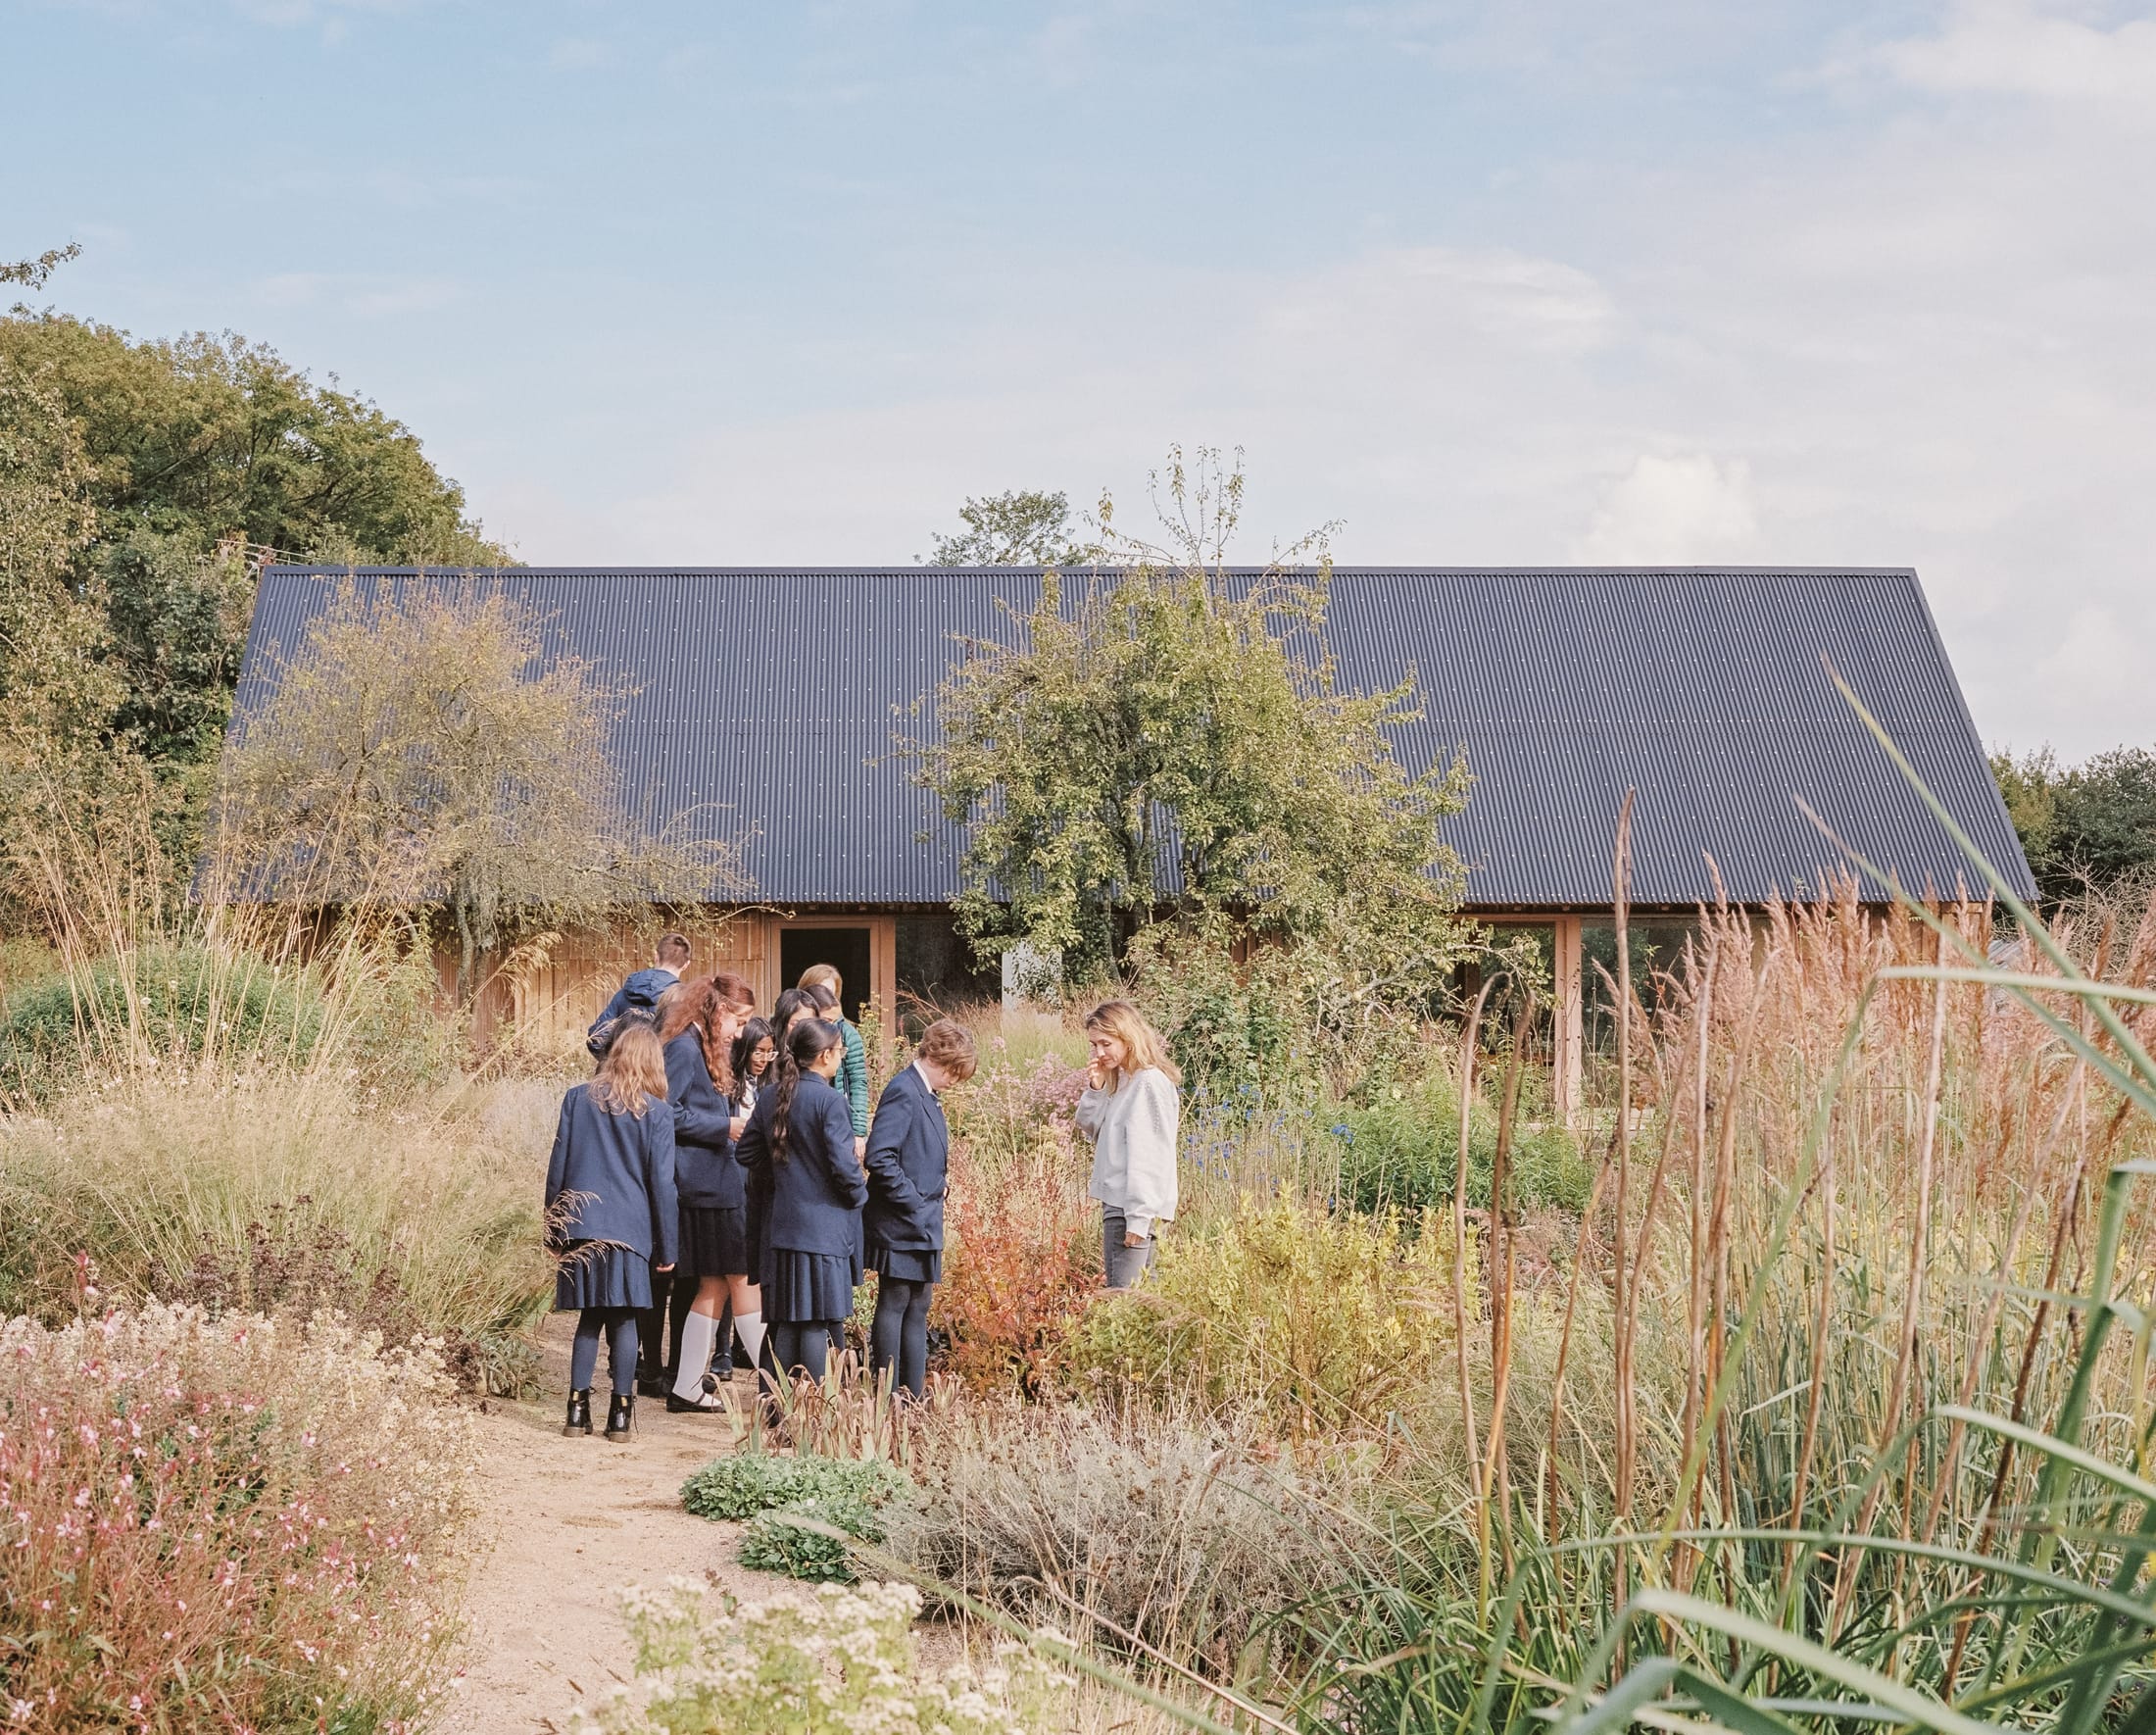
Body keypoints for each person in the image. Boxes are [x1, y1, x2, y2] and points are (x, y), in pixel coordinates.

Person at [545, 1022, 677, 1442]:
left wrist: (553, 1229)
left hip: (582, 1225)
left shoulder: (576, 1099)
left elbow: (558, 1168)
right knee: (624, 1320)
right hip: (630, 1231)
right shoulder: (656, 1113)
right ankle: (620, 1414)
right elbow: (663, 1184)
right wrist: (667, 1244)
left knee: (588, 1319)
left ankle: (576, 1408)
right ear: (653, 1062)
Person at [735, 1016, 867, 1383]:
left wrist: (783, 1172)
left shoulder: (770, 1095)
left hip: (780, 1228)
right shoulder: (829, 1101)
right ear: (825, 1056)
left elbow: (745, 1154)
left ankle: (776, 1414)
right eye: (840, 1051)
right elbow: (844, 1170)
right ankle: (811, 1417)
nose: (841, 1057)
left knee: (783, 1324)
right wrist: (860, 1194)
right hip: (822, 1233)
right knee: (814, 1323)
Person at [654, 972, 763, 1413]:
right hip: (708, 1185)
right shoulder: (682, 1048)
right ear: (716, 1010)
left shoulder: (699, 1044)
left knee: (715, 1286)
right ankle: (784, 1392)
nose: (740, 1031)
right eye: (737, 1020)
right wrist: (726, 1126)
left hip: (710, 1180)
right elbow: (666, 1115)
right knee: (743, 1281)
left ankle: (684, 1388)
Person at [862, 1018, 977, 1400]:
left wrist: (938, 1186)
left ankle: (912, 1393)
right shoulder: (904, 1090)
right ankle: (889, 1393)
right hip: (901, 1220)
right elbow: (880, 1158)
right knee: (896, 1301)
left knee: (918, 1304)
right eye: (954, 1072)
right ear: (937, 1057)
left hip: (922, 1220)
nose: (956, 1081)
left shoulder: (924, 1093)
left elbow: (919, 1154)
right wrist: (913, 1199)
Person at [1073, 1001, 1182, 1289]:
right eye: (1094, 1044)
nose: (1099, 1052)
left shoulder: (1147, 1083)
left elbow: (1151, 1156)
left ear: (1128, 1038)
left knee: (1122, 1303)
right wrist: (1096, 1089)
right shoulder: (1124, 1082)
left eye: (1106, 1043)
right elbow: (1092, 1129)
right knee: (1140, 1307)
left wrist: (1139, 1218)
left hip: (1130, 1208)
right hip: (1126, 1206)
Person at [798, 966, 871, 1158]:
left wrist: (858, 1132)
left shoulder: (848, 1034)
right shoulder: (794, 1030)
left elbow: (858, 1083)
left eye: (830, 992)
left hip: (834, 1115)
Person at [587, 932, 691, 1058]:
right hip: (659, 1075)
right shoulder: (684, 1001)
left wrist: (618, 1065)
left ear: (656, 956)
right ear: (686, 965)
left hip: (621, 1074)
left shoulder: (625, 993)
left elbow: (597, 1038)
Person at [731, 1016, 777, 1115]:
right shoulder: (727, 1085)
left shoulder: (771, 1085)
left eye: (769, 1053)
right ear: (744, 1050)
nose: (764, 1060)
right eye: (758, 1052)